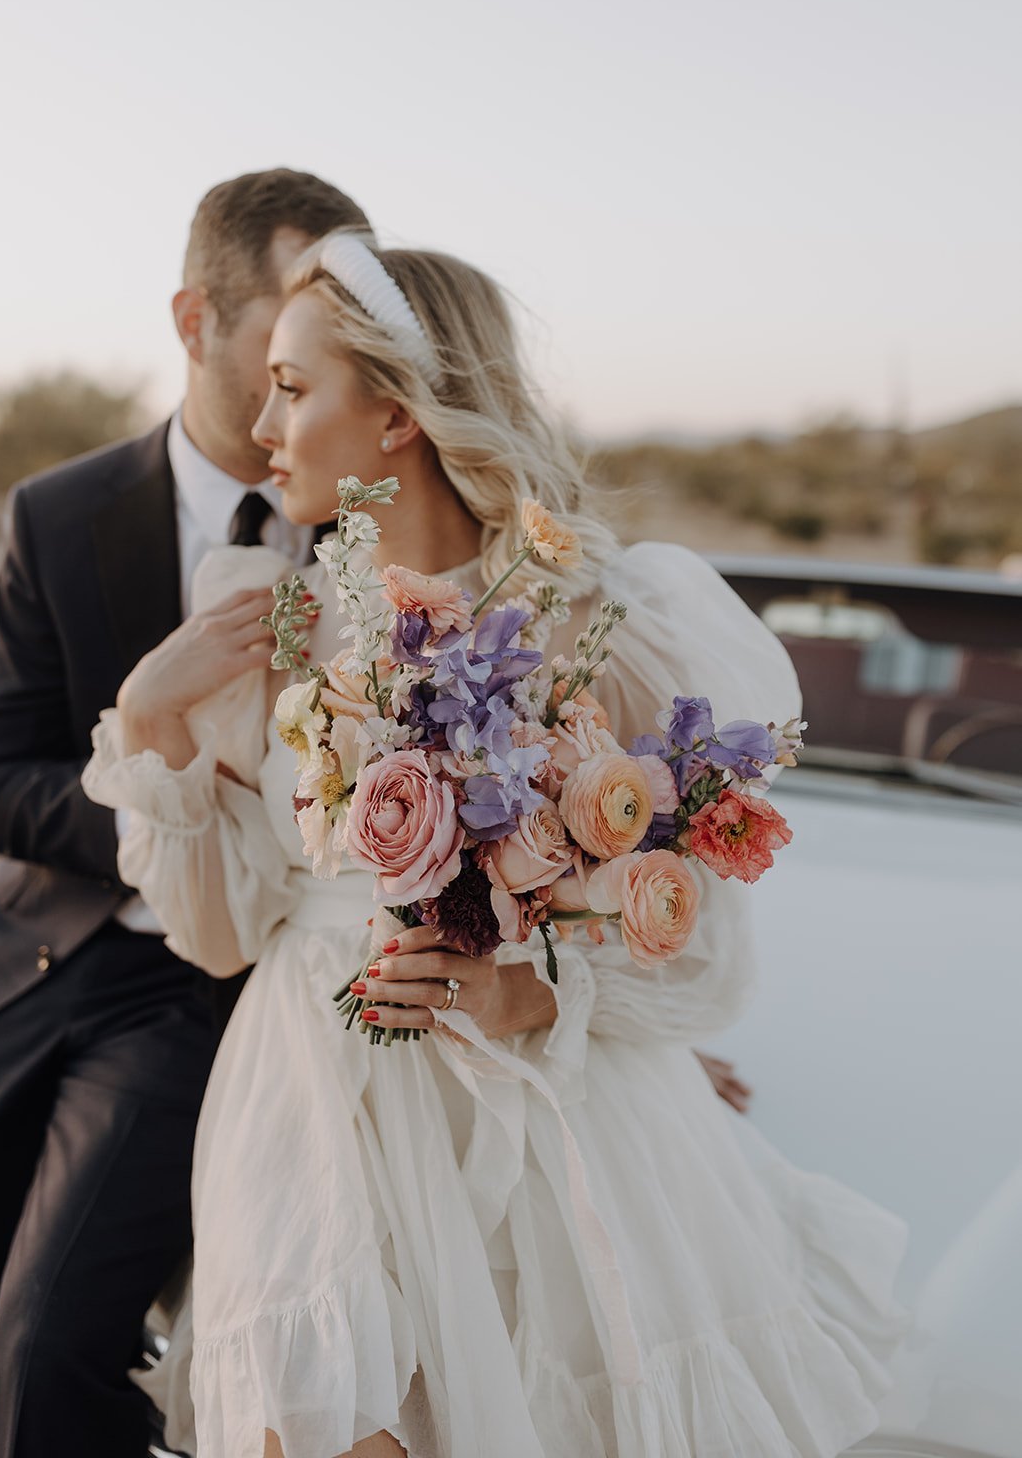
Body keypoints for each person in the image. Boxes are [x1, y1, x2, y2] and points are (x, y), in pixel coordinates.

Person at [84, 232, 907, 1458]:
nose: (262, 422)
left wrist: (524, 990)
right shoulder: (263, 617)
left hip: (540, 1118)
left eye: (295, 387)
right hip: (310, 1098)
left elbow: (701, 958)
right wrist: (151, 718)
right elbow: (215, 935)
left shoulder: (597, 624)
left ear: (397, 418)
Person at [0, 169, 369, 1458]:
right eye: (285, 341)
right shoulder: (61, 511)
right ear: (195, 321)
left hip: (220, 997)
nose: (315, 374)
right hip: (35, 955)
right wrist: (155, 797)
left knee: (50, 1348)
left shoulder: (379, 527)